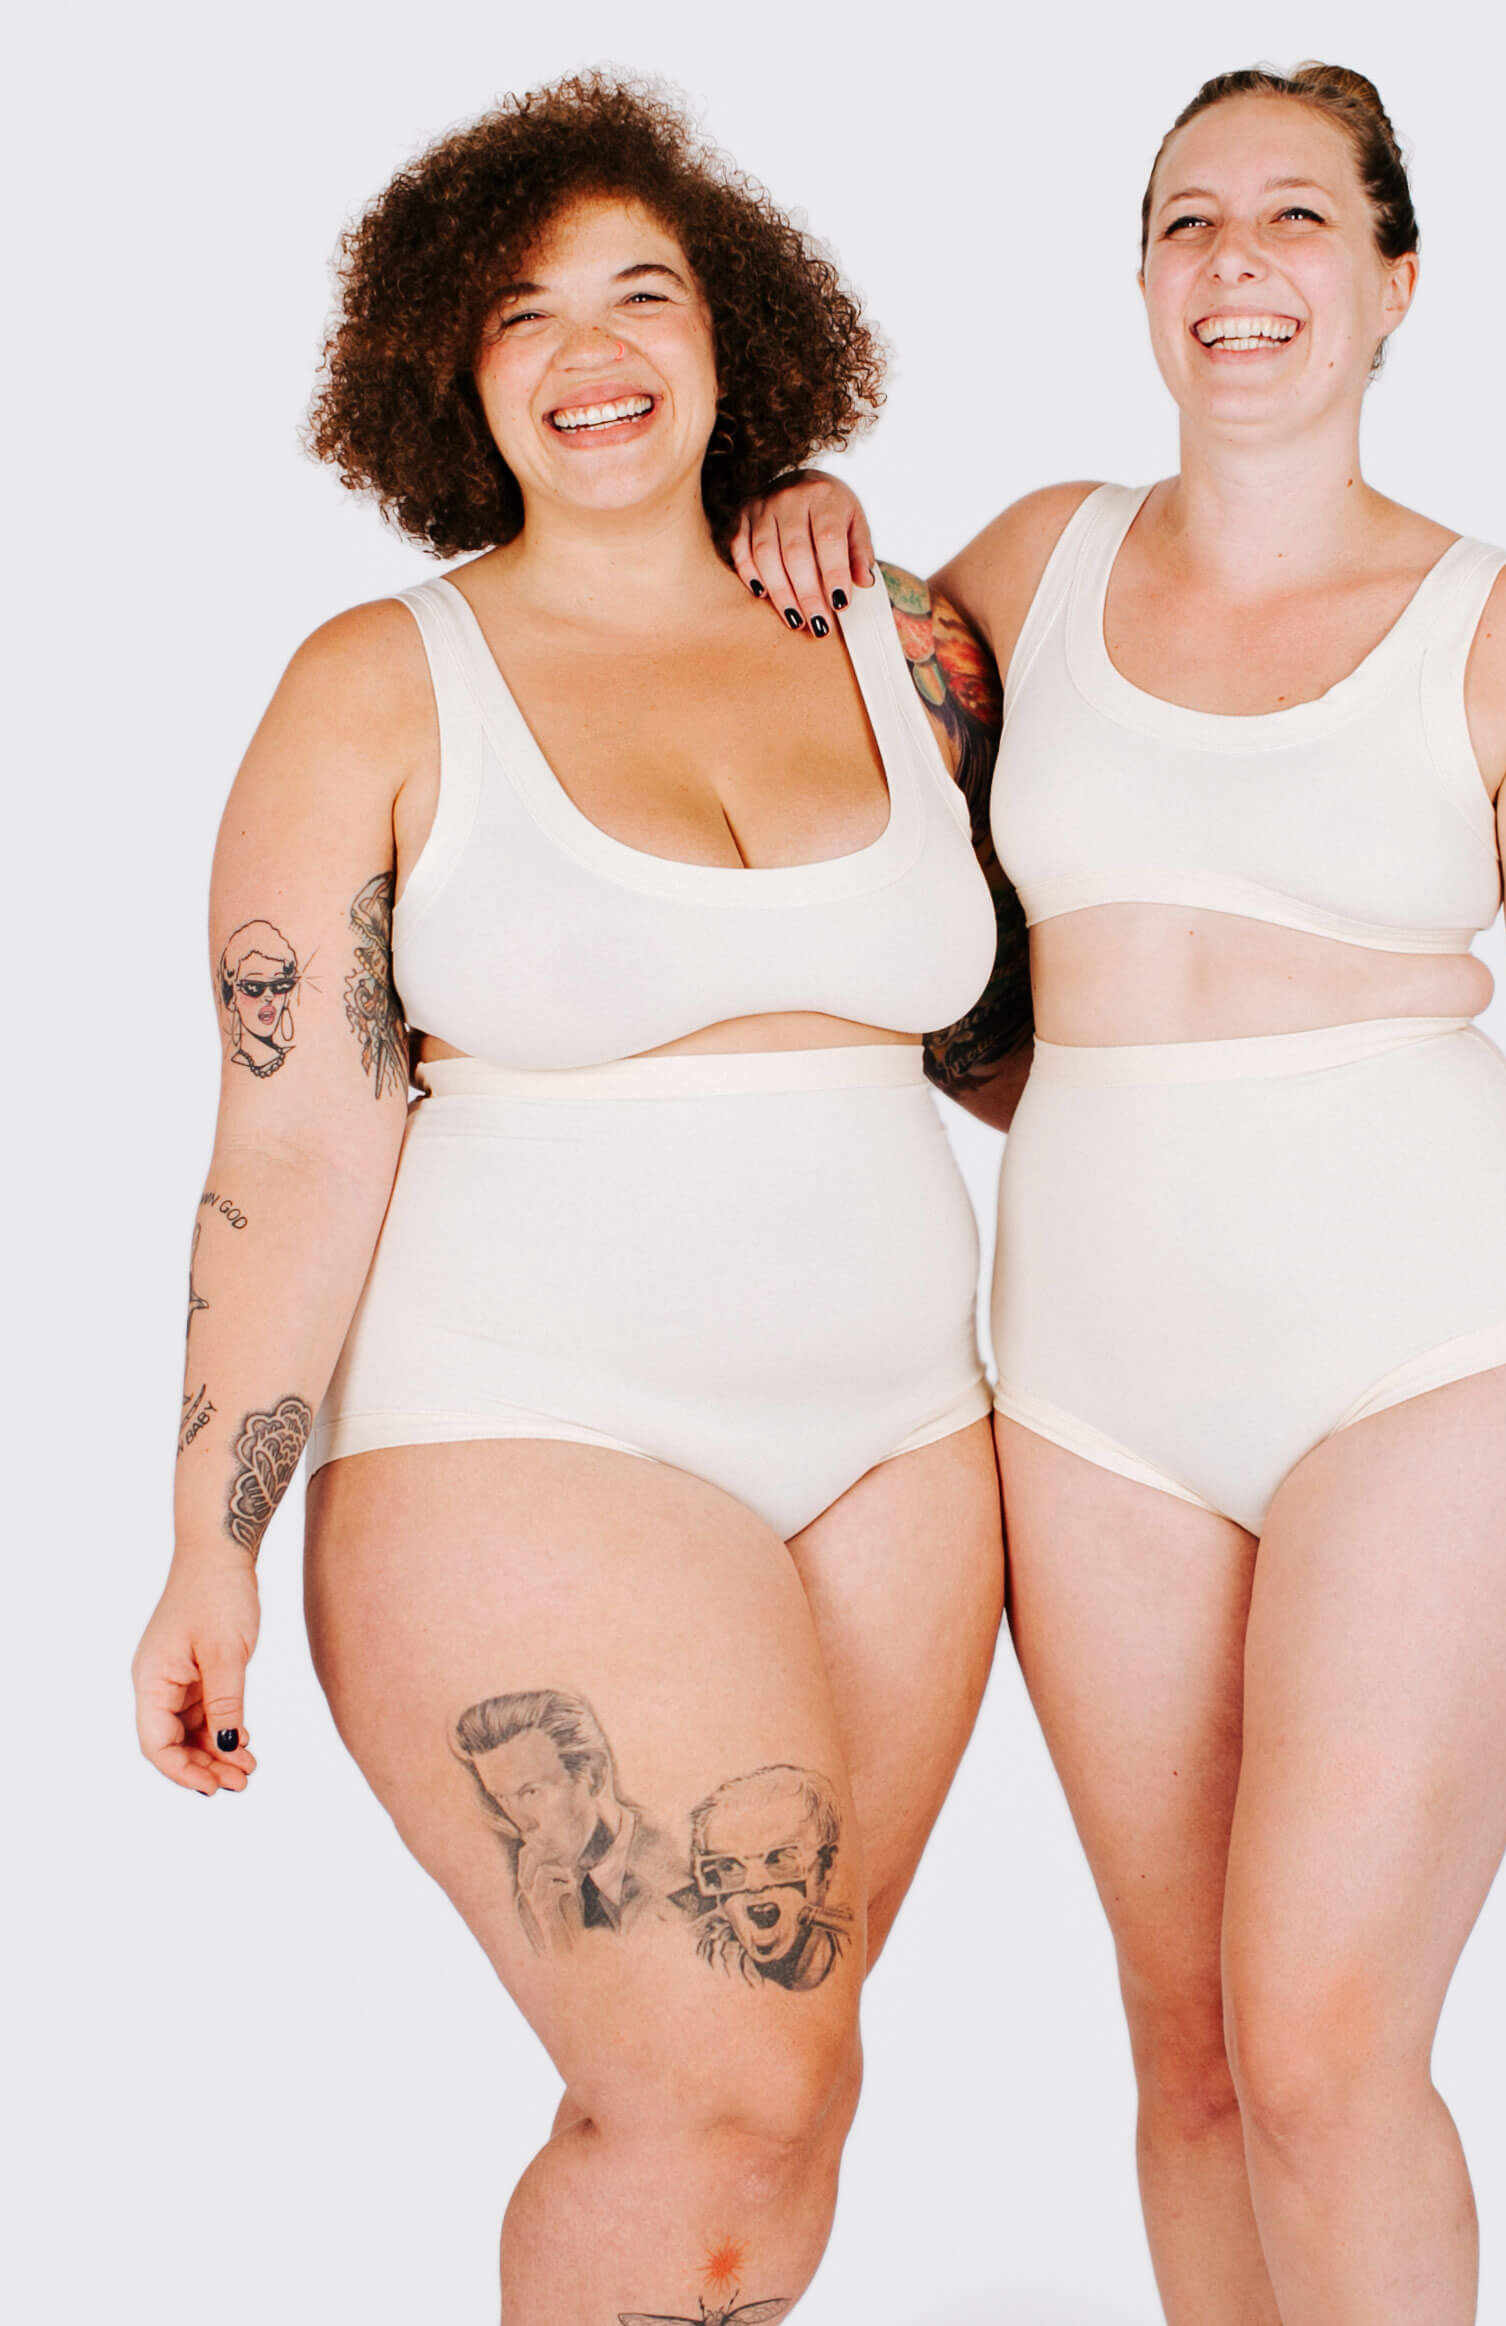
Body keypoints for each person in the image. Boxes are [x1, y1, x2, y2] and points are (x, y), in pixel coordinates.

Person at [733, 61, 1506, 2325]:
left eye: (1294, 219)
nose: (1234, 264)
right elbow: (872, 846)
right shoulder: (1036, 560)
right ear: (1143, 277)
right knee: (1188, 2059)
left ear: (1394, 282)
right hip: (1092, 1383)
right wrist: (815, 516)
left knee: (1326, 2048)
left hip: (1434, 1352)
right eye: (1186, 220)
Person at [131, 72, 1018, 2325]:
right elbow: (290, 1142)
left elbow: (1022, 1031)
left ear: (737, 335)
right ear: (449, 368)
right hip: (530, 1435)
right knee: (716, 2094)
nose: (590, 348)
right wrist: (210, 1542)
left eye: (643, 293)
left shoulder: (898, 636)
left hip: (910, 1446)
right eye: (523, 313)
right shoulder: (377, 684)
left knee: (775, 2100)